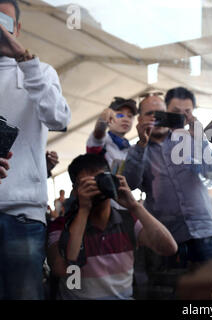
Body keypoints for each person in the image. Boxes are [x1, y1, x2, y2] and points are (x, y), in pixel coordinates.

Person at [0, 0, 71, 300]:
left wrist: (22, 58)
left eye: (3, 21)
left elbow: (59, 118)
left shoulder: (39, 71)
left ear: (17, 28)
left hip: (22, 211)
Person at [47, 154, 177, 300]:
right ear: (75, 190)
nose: (96, 188)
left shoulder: (128, 221)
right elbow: (62, 268)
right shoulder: (61, 225)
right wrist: (83, 210)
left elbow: (169, 248)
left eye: (100, 180)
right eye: (87, 184)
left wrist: (134, 206)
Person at [123, 87, 212, 270]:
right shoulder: (135, 151)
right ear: (140, 120)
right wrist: (141, 145)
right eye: (150, 114)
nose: (156, 118)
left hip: (205, 233)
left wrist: (200, 139)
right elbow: (130, 184)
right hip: (169, 239)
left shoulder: (189, 139)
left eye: (160, 113)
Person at [86, 97, 137, 172]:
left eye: (130, 116)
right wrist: (102, 120)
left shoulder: (130, 149)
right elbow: (98, 134)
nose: (126, 119)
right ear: (109, 118)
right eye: (120, 115)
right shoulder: (103, 141)